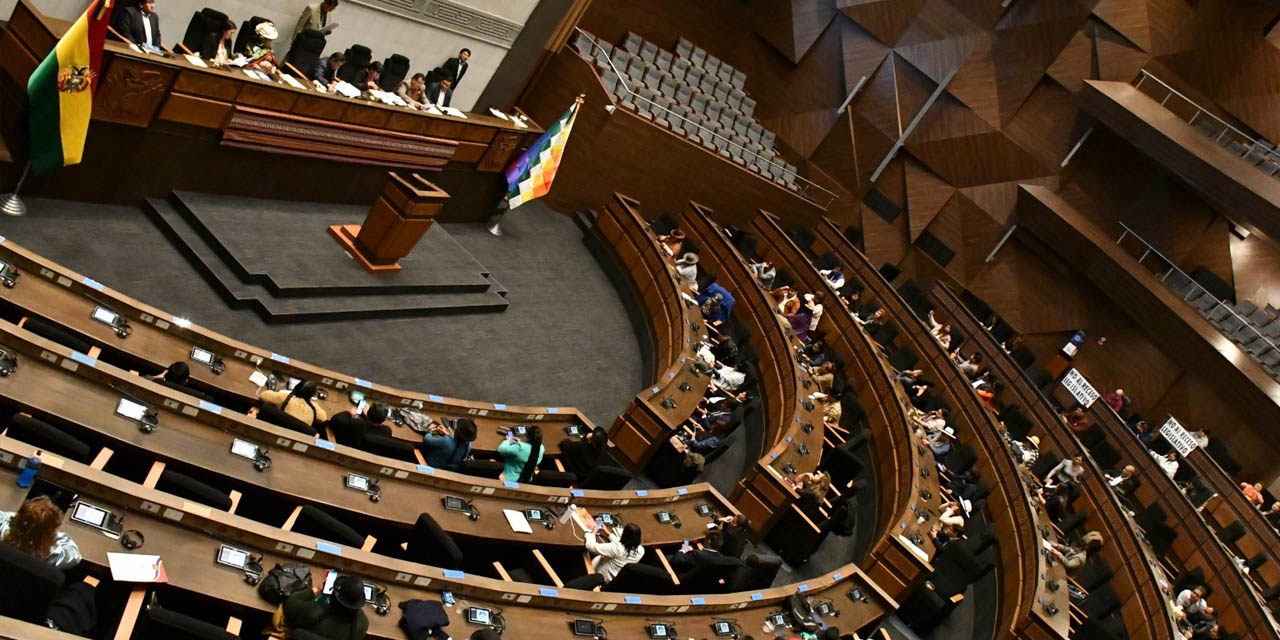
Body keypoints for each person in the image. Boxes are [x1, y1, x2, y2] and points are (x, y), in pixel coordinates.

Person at [0, 496, 81, 570]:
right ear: (51, 533)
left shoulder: (2, 534)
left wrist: (26, 520)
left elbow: (3, 517)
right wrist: (53, 532)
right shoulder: (54, 556)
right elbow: (75, 554)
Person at [281, 573, 369, 639]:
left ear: (334, 598)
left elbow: (289, 603)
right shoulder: (362, 625)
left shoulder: (313, 612)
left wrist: (316, 590)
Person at [257, 380, 328, 426]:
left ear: (295, 389)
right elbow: (323, 418)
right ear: (312, 395)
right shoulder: (314, 408)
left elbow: (263, 396)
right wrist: (311, 402)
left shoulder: (285, 398)